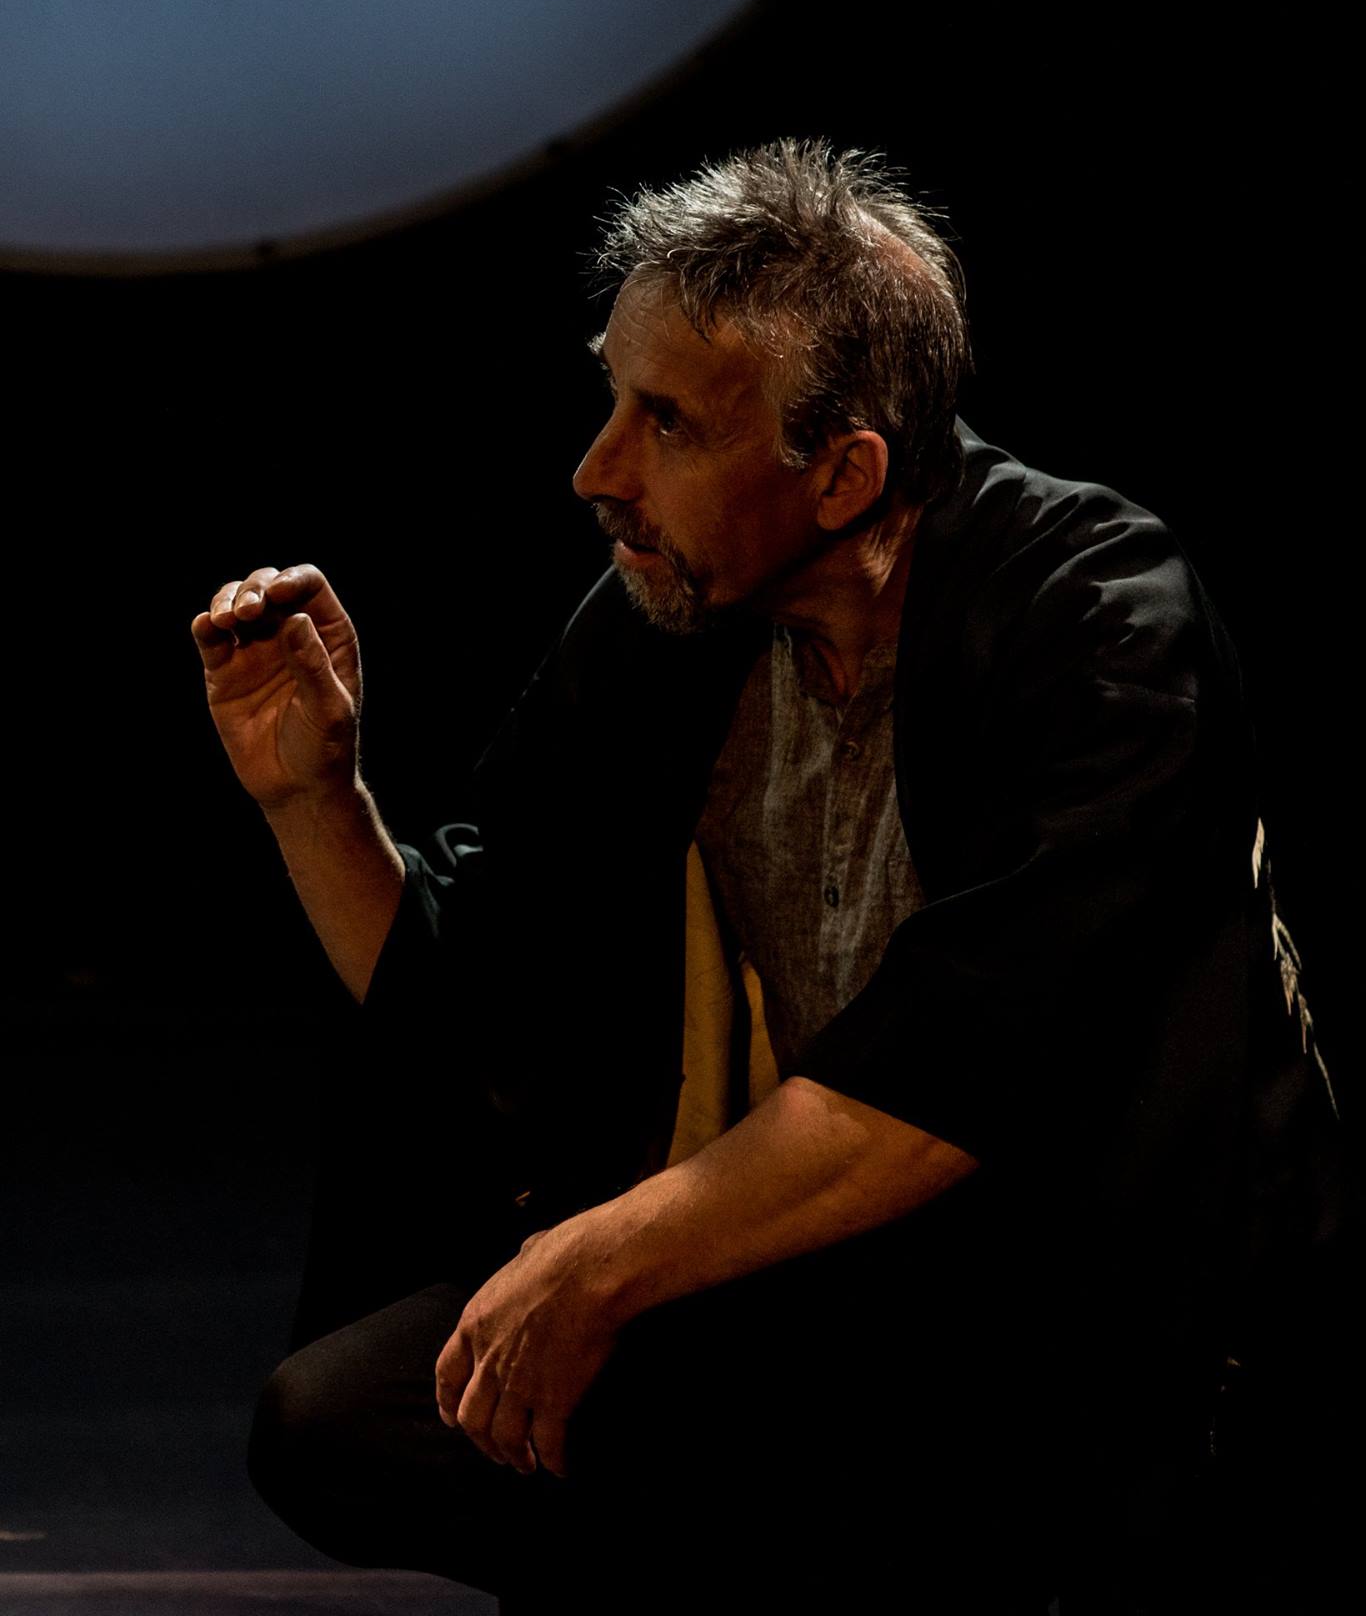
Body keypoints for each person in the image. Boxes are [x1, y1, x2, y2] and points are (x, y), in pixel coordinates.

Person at [193, 143, 1339, 1613]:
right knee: (351, 1421)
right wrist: (314, 796)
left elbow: (961, 1072)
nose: (596, 471)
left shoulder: (1099, 621)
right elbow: (477, 996)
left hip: (1097, 1328)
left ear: (843, 473)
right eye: (613, 399)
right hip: (822, 1292)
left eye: (665, 422)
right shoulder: (671, 620)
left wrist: (599, 1261)